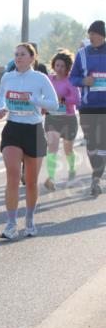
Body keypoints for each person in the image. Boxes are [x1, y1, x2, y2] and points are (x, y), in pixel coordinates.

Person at [0, 43, 58, 239]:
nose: (18, 57)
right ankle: (11, 223)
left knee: (31, 182)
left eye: (23, 54)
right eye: (16, 54)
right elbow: (0, 99)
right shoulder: (7, 76)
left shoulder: (40, 78)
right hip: (13, 128)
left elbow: (54, 104)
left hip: (34, 130)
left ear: (32, 58)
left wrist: (34, 101)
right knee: (12, 176)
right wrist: (1, 110)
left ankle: (29, 219)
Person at [69, 20, 106, 196]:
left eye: (92, 33)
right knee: (91, 144)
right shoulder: (82, 54)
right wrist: (83, 81)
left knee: (103, 143)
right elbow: (73, 77)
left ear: (101, 35)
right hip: (88, 106)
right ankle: (97, 174)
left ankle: (96, 179)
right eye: (89, 33)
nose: (89, 37)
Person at [44, 50, 81, 190]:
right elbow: (41, 94)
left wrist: (63, 100)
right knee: (52, 147)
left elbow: (77, 100)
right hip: (52, 117)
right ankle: (51, 178)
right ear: (53, 65)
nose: (59, 68)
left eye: (62, 66)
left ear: (67, 68)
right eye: (57, 65)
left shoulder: (70, 80)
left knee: (68, 150)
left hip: (68, 119)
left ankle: (72, 169)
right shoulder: (48, 79)